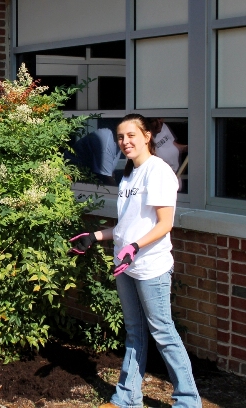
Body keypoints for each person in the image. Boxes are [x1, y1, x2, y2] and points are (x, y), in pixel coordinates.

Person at [68, 114, 201, 408]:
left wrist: (135, 247)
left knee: (163, 332)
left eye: (131, 135)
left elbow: (165, 224)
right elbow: (128, 226)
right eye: (120, 137)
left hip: (150, 266)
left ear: (146, 137)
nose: (125, 142)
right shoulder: (129, 174)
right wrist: (95, 236)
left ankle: (188, 401)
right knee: (134, 332)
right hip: (125, 264)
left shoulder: (159, 172)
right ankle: (127, 398)